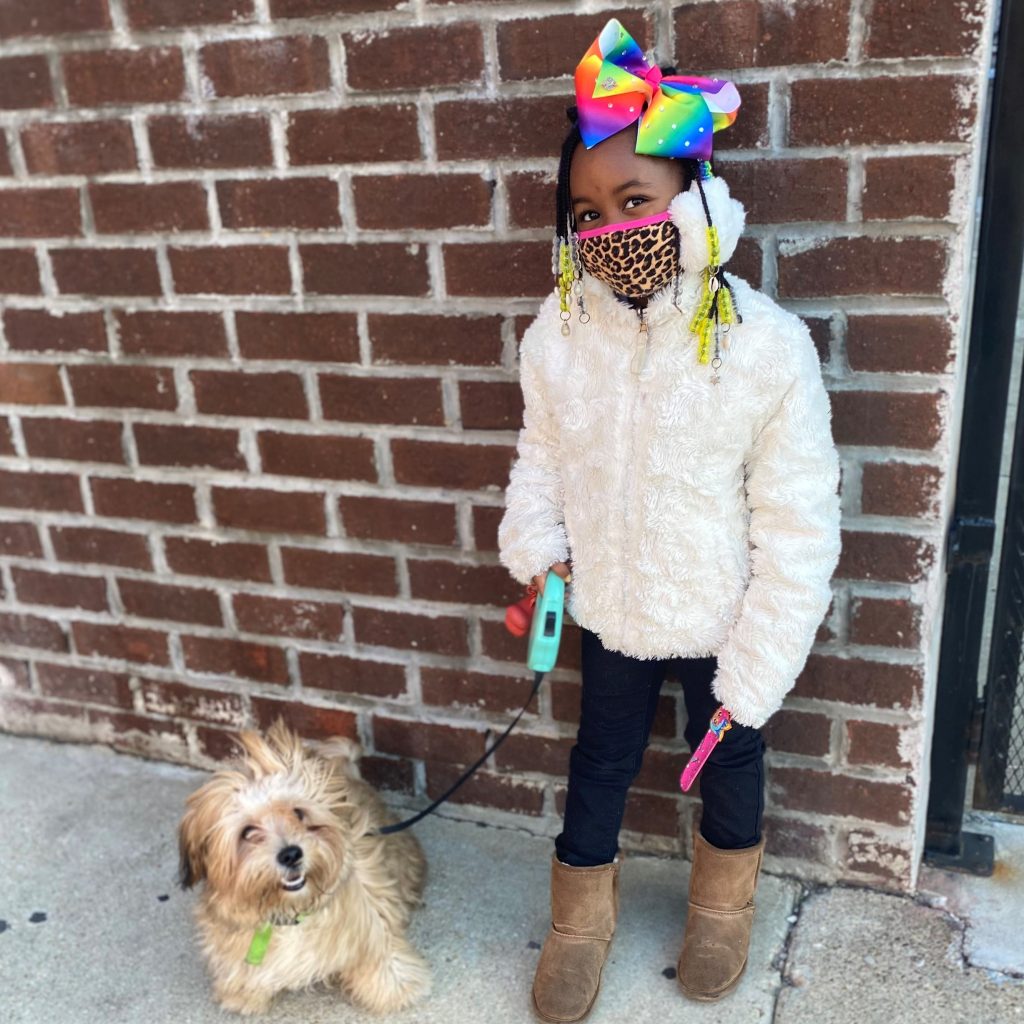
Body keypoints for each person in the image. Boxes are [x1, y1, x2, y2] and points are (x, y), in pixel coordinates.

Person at [496, 18, 843, 1024]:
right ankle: (577, 922)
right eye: (588, 212)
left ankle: (722, 909)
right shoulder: (556, 338)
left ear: (693, 201)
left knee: (729, 762)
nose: (612, 228)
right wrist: (540, 554)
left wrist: (758, 664)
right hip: (606, 605)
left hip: (723, 617)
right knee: (595, 759)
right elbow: (542, 458)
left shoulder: (766, 349)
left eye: (635, 201)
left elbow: (799, 521)